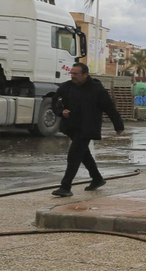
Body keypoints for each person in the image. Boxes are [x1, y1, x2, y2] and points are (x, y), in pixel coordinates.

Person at [51, 62, 125, 197]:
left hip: (87, 128)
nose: (72, 76)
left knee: (74, 155)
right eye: (71, 73)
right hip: (71, 126)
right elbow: (55, 103)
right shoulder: (66, 87)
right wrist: (61, 112)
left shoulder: (97, 90)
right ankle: (97, 178)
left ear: (85, 75)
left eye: (76, 74)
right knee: (83, 153)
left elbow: (109, 108)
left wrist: (118, 125)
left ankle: (65, 186)